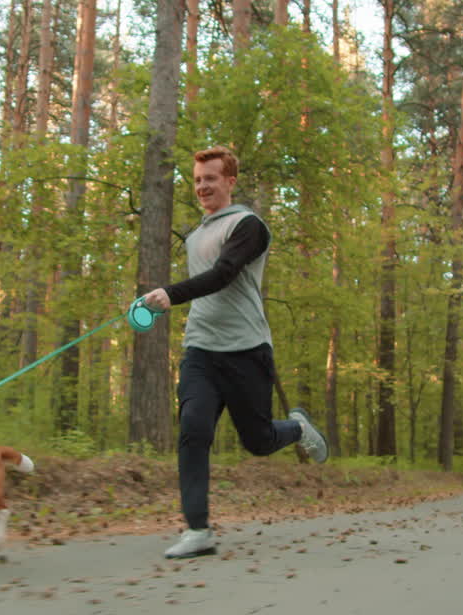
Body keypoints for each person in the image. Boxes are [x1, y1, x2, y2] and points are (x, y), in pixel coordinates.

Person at [140, 146, 328, 560]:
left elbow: (224, 275)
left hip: (246, 351)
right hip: (201, 351)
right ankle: (198, 529)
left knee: (258, 441)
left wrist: (170, 294)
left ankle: (297, 428)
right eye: (197, 180)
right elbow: (205, 284)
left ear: (230, 181)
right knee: (193, 428)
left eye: (210, 178)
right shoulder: (194, 236)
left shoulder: (249, 226)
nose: (202, 186)